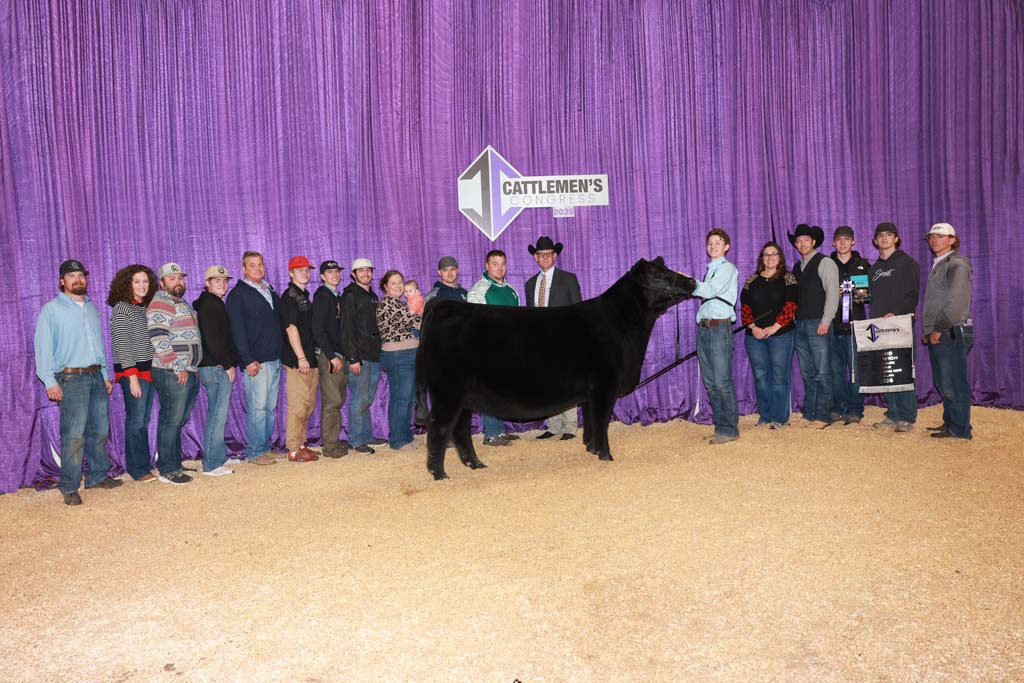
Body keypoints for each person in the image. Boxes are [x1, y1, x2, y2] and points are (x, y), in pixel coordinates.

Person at [34, 259, 122, 505]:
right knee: (73, 435)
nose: (77, 279)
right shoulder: (51, 310)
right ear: (62, 281)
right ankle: (69, 484)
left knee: (100, 431)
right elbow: (43, 348)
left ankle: (97, 476)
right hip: (71, 379)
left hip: (95, 375)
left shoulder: (92, 309)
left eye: (81, 275)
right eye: (71, 276)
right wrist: (49, 380)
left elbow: (98, 346)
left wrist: (104, 375)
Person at [226, 251, 283, 465]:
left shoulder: (268, 289)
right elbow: (237, 331)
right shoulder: (238, 295)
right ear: (243, 269)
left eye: (260, 264)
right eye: (252, 265)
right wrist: (247, 359)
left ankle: (265, 446)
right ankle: (255, 451)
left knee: (269, 407)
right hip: (256, 361)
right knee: (257, 407)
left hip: (273, 358)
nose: (258, 268)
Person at [147, 262, 202, 485]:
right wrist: (176, 366)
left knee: (177, 420)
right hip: (171, 371)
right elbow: (158, 337)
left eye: (180, 277)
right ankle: (168, 469)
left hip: (187, 369)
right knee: (171, 419)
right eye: (172, 278)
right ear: (162, 283)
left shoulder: (180, 303)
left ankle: (175, 463)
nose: (178, 281)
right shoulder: (161, 302)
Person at [524, 235, 583, 440]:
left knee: (567, 383)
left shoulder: (568, 279)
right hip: (541, 341)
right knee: (548, 384)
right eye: (541, 255)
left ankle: (569, 426)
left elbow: (578, 310)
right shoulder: (530, 283)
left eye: (548, 254)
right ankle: (553, 425)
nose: (545, 258)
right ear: (536, 258)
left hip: (564, 339)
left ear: (555, 256)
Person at [107, 264, 159, 482]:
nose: (142, 286)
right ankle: (137, 469)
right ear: (127, 284)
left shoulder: (144, 307)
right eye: (137, 281)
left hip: (148, 371)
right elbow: (122, 345)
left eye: (145, 281)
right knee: (136, 421)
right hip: (134, 373)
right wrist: (132, 378)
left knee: (143, 419)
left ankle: (144, 464)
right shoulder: (122, 309)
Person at [921, 223, 973, 439]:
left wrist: (939, 328)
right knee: (944, 379)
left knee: (953, 381)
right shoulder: (942, 263)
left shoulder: (957, 264)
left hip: (951, 331)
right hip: (943, 330)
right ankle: (951, 422)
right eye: (932, 237)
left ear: (952, 240)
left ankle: (960, 429)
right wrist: (929, 329)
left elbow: (955, 303)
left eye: (940, 236)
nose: (935, 240)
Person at [868, 222, 921, 432]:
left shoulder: (908, 263)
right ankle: (893, 413)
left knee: (902, 369)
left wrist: (898, 313)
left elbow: (913, 295)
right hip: (879, 326)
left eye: (888, 235)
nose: (884, 238)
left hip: (900, 324)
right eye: (880, 235)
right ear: (874, 240)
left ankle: (907, 416)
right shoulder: (873, 270)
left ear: (896, 238)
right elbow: (866, 298)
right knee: (886, 370)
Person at [740, 241, 798, 429]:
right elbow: (745, 306)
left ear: (779, 257)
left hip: (781, 335)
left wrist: (775, 327)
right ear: (762, 258)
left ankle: (779, 418)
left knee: (779, 376)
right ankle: (765, 415)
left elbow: (791, 305)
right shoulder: (752, 280)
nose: (770, 258)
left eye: (774, 254)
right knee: (760, 375)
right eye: (766, 254)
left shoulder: (788, 278)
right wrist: (753, 327)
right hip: (754, 336)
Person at [789, 223, 840, 429]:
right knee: (807, 372)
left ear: (814, 242)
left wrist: (826, 320)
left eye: (806, 240)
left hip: (818, 323)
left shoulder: (825, 262)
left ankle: (823, 415)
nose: (802, 244)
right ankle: (809, 412)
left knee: (822, 371)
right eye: (798, 241)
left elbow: (833, 292)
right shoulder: (796, 267)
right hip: (800, 323)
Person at [692, 229, 740, 444]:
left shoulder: (727, 268)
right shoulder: (710, 270)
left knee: (721, 381)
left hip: (718, 328)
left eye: (718, 242)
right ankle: (721, 426)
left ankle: (729, 429)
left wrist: (688, 284)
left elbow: (710, 290)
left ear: (726, 247)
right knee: (711, 382)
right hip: (704, 328)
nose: (713, 246)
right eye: (710, 242)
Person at [468, 249, 521, 446]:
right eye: (495, 263)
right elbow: (474, 324)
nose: (500, 268)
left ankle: (499, 430)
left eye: (503, 264)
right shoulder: (479, 291)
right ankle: (491, 433)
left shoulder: (512, 291)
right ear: (486, 266)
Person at [193, 265, 240, 476]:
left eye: (224, 280)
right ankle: (211, 463)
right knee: (217, 414)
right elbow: (213, 340)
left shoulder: (211, 303)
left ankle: (218, 455)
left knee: (219, 412)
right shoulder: (211, 306)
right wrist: (228, 364)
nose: (222, 284)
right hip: (216, 366)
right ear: (207, 283)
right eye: (216, 280)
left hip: (213, 366)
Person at [340, 257, 387, 454]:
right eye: (361, 271)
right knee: (360, 398)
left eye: (368, 270)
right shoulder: (350, 295)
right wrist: (352, 357)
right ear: (353, 275)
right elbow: (347, 328)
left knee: (367, 397)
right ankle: (356, 440)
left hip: (373, 354)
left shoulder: (372, 295)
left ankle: (366, 435)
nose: (365, 274)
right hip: (360, 356)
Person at [828, 226, 871, 424]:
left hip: (856, 325)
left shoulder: (862, 264)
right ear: (833, 242)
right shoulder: (827, 264)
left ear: (853, 241)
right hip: (832, 325)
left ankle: (855, 408)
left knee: (855, 370)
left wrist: (851, 293)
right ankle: (839, 406)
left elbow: (866, 295)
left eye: (847, 239)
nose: (843, 243)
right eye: (839, 239)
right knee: (835, 371)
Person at [280, 256, 320, 463]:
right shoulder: (290, 297)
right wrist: (301, 356)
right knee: (298, 405)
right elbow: (290, 327)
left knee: (308, 405)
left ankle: (301, 444)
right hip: (299, 360)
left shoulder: (304, 295)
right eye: (299, 269)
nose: (305, 273)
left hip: (310, 358)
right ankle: (294, 449)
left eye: (307, 269)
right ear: (291, 273)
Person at [377, 270, 422, 450]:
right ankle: (397, 440)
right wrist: (417, 310)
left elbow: (417, 320)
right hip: (397, 354)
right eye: (393, 283)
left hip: (409, 352)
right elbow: (411, 321)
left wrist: (416, 313)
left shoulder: (401, 303)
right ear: (385, 286)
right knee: (400, 398)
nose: (398, 286)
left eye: (400, 282)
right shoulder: (387, 304)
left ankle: (406, 435)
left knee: (409, 398)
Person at [312, 259, 348, 459]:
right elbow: (318, 329)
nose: (334, 275)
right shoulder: (322, 297)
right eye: (330, 272)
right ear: (323, 276)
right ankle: (330, 446)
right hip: (329, 356)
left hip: (337, 354)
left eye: (336, 271)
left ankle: (333, 440)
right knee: (332, 401)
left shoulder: (335, 296)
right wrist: (331, 355)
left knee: (337, 400)